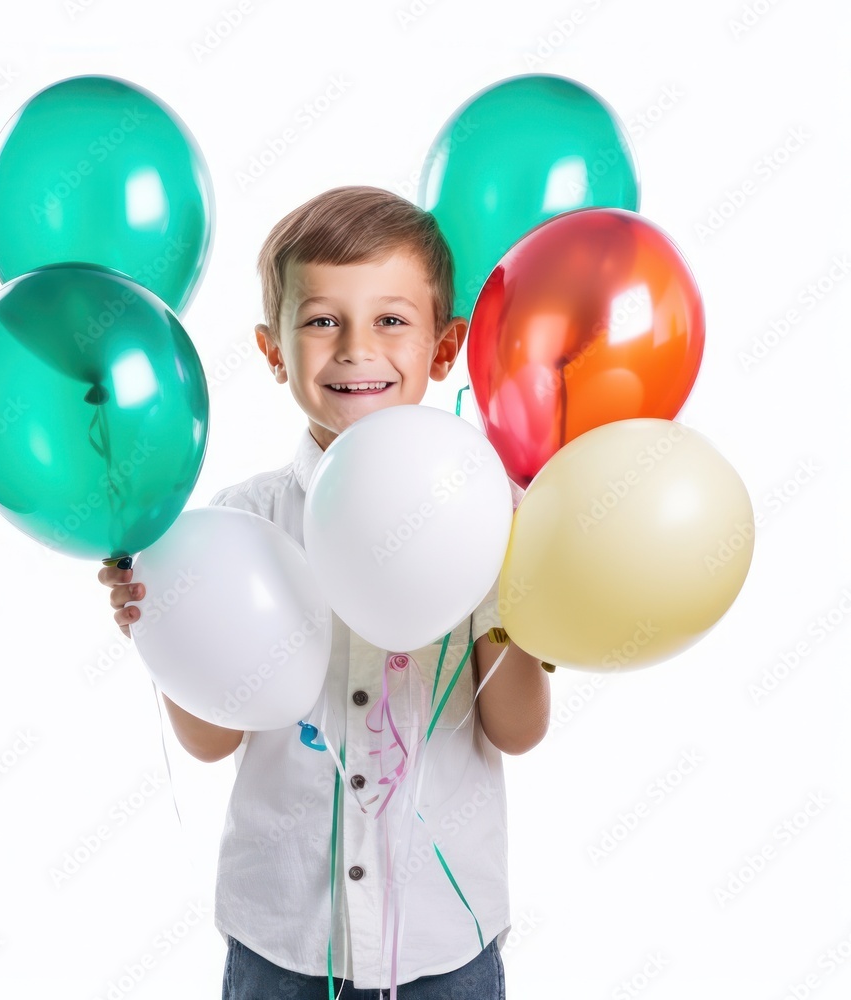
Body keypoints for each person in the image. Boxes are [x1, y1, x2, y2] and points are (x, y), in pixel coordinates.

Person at [98, 185, 551, 999]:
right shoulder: (234, 526)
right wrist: (163, 626)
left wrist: (527, 600)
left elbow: (516, 729)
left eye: (390, 320)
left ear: (445, 349)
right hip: (284, 944)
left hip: (447, 946)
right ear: (273, 351)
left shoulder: (493, 518)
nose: (354, 348)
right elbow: (212, 742)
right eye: (320, 321)